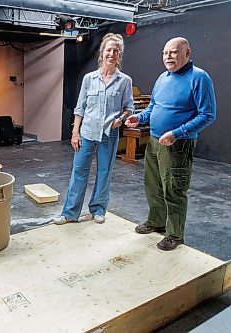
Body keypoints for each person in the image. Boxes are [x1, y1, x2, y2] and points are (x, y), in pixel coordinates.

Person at [125, 37, 216, 251]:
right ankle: (156, 221)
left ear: (187, 52)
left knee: (174, 189)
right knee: (153, 185)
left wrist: (177, 133)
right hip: (155, 141)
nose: (168, 57)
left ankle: (174, 234)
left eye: (174, 52)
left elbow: (208, 114)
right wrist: (139, 117)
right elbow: (153, 107)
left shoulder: (200, 78)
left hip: (178, 144)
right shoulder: (163, 78)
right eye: (165, 53)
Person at [53, 33, 134, 225]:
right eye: (109, 50)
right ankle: (70, 213)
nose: (112, 54)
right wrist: (75, 132)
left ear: (119, 55)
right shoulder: (89, 79)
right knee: (79, 171)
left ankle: (98, 209)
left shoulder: (125, 81)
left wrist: (120, 120)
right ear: (102, 52)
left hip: (109, 133)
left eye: (116, 51)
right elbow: (80, 107)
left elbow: (129, 108)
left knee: (104, 171)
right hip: (87, 132)